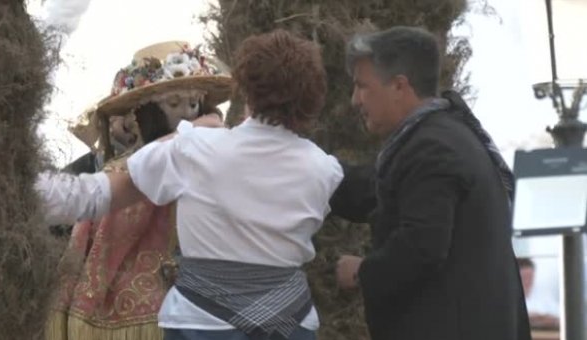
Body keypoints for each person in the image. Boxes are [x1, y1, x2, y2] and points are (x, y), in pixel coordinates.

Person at [39, 29, 342, 340]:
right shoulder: (326, 169)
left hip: (204, 325)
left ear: (247, 90)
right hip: (291, 324)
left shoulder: (192, 148)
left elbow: (95, 195)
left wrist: (19, 187)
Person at [332, 26, 531, 340]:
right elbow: (376, 191)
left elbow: (422, 246)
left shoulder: (432, 148)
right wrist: (310, 168)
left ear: (399, 86)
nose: (355, 100)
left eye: (361, 86)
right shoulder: (441, 136)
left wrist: (361, 272)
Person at [41, 41, 232, 340]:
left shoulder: (219, 165)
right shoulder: (121, 171)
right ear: (147, 111)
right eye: (173, 104)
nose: (185, 114)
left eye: (193, 103)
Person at [517, 258, 560, 330]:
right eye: (524, 277)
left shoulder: (544, 295)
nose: (528, 281)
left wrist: (537, 318)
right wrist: (540, 318)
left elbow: (559, 317)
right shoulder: (509, 298)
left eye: (530, 277)